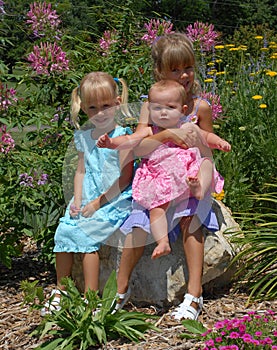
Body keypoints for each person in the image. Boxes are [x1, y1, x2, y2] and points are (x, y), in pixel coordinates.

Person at [41, 72, 134, 316]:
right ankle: (60, 289)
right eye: (93, 108)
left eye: (105, 106)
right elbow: (81, 171)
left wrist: (96, 203)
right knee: (65, 229)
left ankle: (89, 297)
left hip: (114, 197)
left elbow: (125, 179)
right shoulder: (84, 137)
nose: (100, 113)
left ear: (117, 103)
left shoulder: (123, 136)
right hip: (89, 193)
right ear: (84, 109)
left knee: (88, 235)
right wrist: (78, 199)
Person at [132, 80, 230, 260]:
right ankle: (163, 241)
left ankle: (199, 187)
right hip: (164, 182)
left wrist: (219, 142)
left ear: (183, 110)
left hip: (187, 177)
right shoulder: (150, 131)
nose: (163, 112)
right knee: (156, 209)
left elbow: (206, 136)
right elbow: (137, 148)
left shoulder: (187, 127)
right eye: (157, 108)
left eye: (170, 107)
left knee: (206, 162)